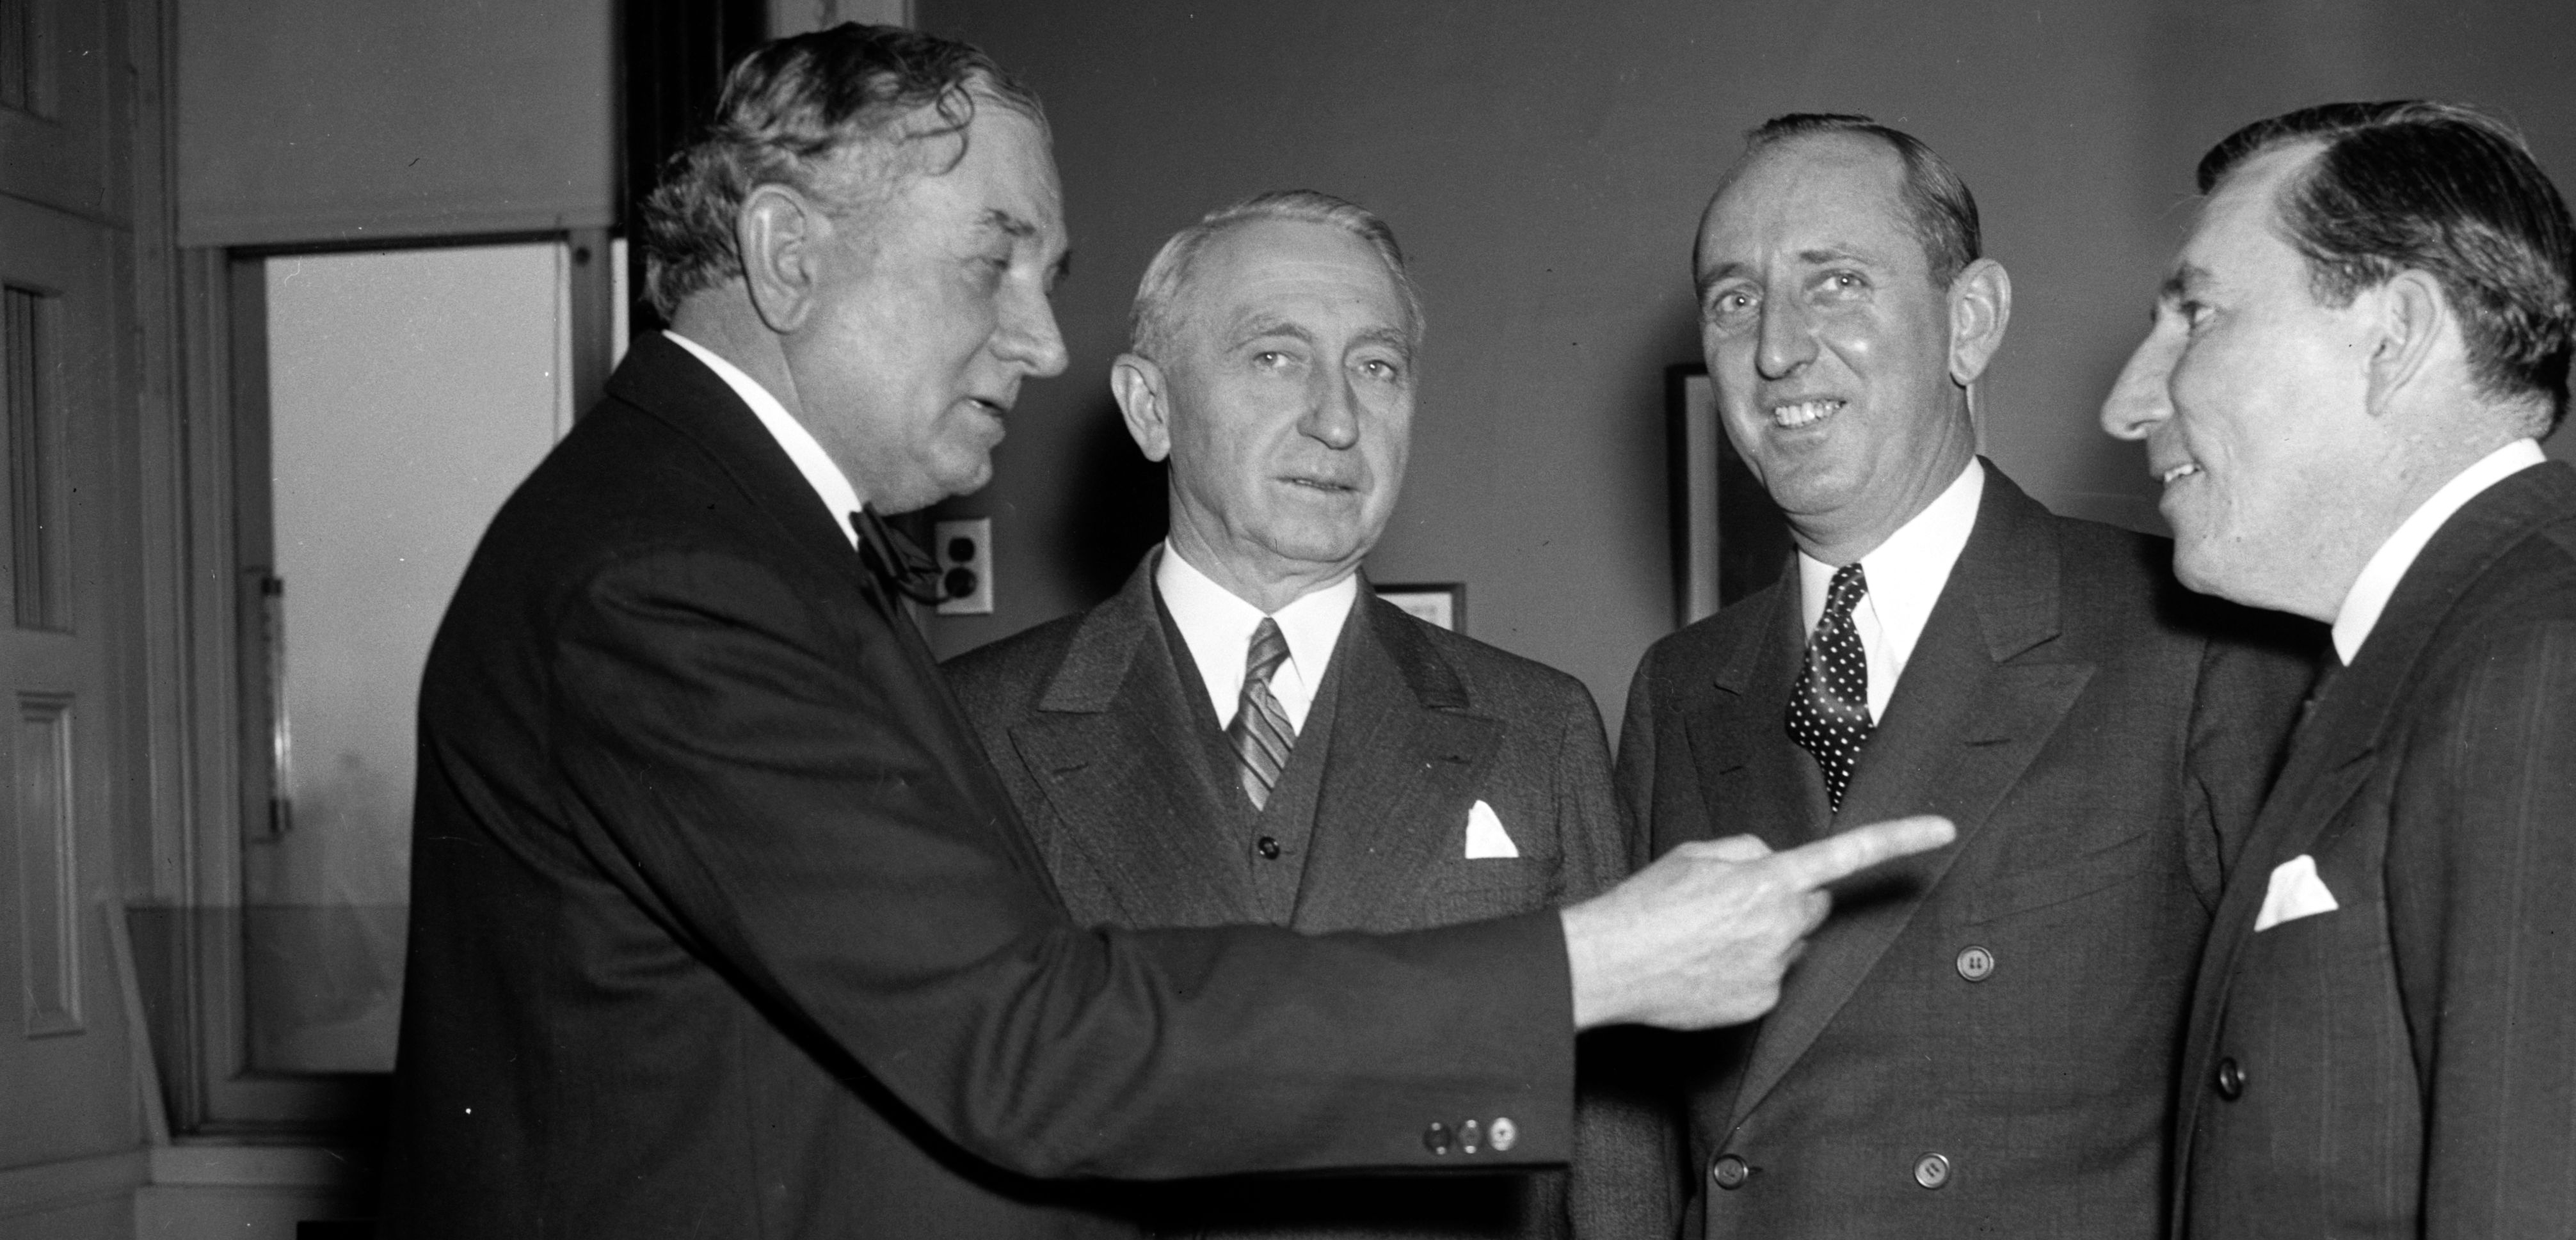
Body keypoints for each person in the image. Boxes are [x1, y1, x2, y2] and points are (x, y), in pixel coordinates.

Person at [382, 27, 1947, 1239]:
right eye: (995, 258)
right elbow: (1029, 1045)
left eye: (1382, 368)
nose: (1039, 335)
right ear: (789, 258)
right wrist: (1583, 962)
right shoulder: (681, 579)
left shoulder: (738, 546)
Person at [2100, 100, 2576, 1239]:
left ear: (2395, 338)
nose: (2129, 400)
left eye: (2198, 316)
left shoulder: (2568, 682)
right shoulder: (2452, 651)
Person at [1615, 114, 2315, 1238]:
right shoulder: (1682, 687)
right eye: (1735, 298)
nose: (1778, 350)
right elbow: (1649, 1141)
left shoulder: (2188, 640)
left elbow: (2294, 1103)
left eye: (1835, 282)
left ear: (1970, 323)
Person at [940, 191, 1666, 1237]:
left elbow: (1614, 1154)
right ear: (1152, 408)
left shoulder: (1537, 727)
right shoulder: (980, 724)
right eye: (1276, 357)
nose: (1337, 418)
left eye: (1377, 367)